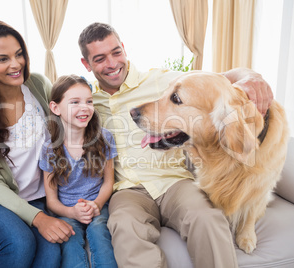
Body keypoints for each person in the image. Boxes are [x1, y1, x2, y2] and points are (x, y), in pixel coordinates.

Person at [78, 22, 273, 268]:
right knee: (124, 227)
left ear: (124, 49)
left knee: (208, 218)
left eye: (116, 52)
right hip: (128, 190)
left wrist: (251, 76)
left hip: (174, 182)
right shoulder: (87, 103)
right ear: (87, 64)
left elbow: (219, 80)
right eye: (100, 58)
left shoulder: (164, 81)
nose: (112, 63)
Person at [0, 20, 74, 268]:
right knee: (19, 243)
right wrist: (39, 218)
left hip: (36, 198)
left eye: (19, 54)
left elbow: (68, 123)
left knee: (51, 257)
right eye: (2, 58)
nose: (16, 64)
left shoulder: (38, 85)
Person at [39, 75, 118, 268]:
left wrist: (96, 204)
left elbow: (109, 182)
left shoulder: (104, 137)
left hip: (98, 204)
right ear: (55, 108)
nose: (85, 107)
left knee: (100, 232)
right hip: (67, 210)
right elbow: (51, 201)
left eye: (89, 101)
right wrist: (71, 212)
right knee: (70, 242)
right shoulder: (49, 149)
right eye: (75, 102)